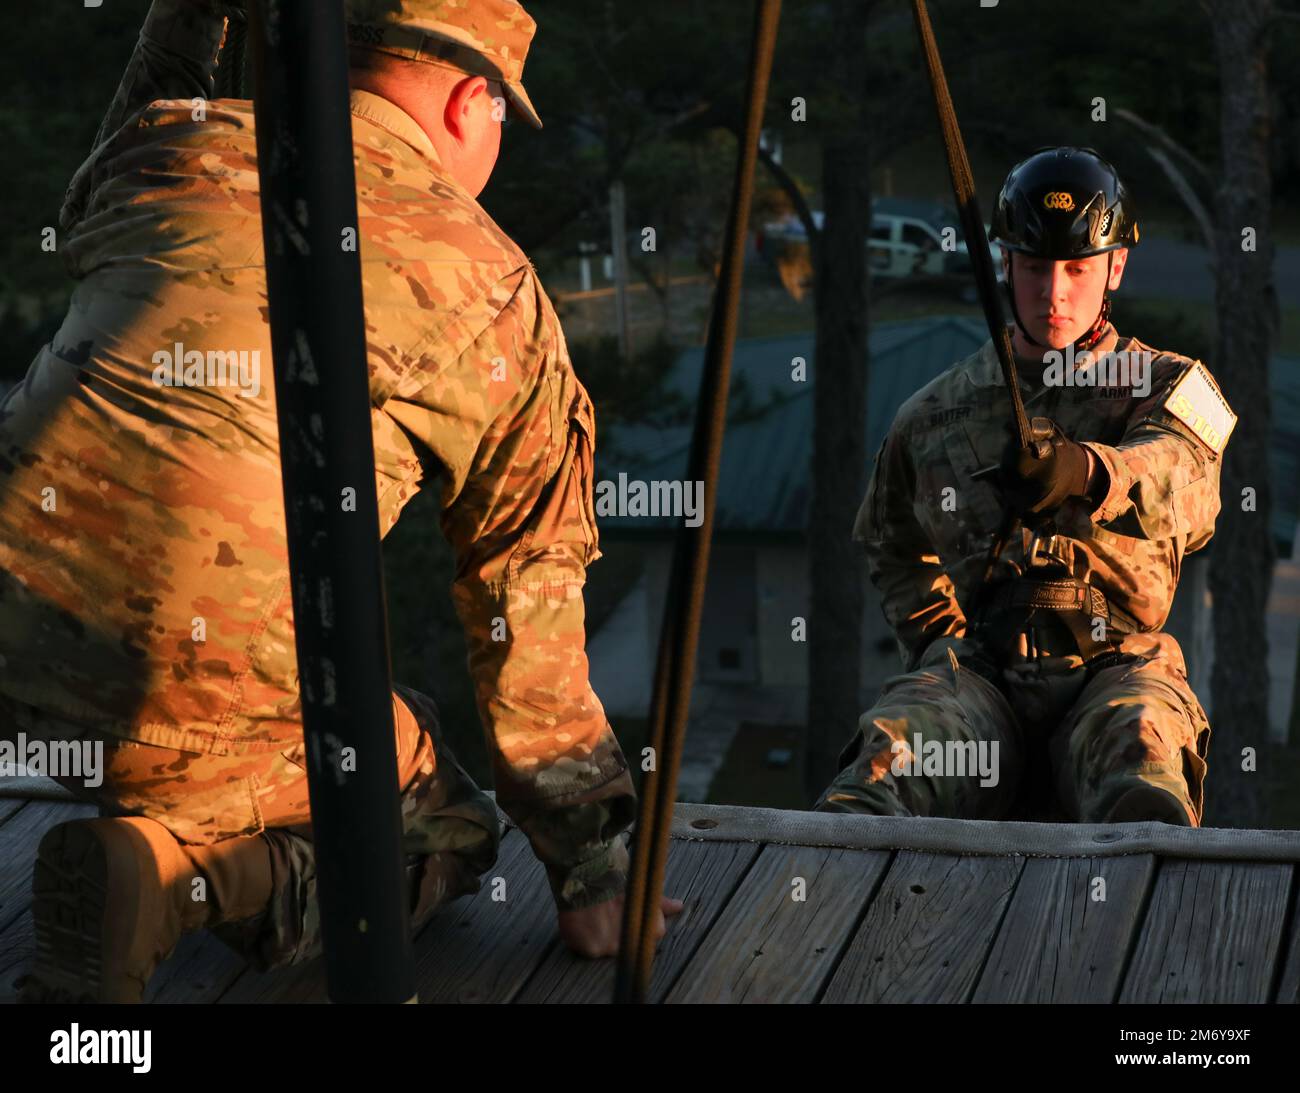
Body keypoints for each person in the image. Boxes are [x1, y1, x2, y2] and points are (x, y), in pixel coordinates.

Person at [1, 0, 679, 1003]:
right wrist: (593, 869)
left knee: (328, 720)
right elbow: (520, 597)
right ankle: (172, 885)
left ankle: (160, 831)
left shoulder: (161, 155)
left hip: (17, 657)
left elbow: (154, 98)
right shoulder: (492, 287)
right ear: (469, 101)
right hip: (190, 701)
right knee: (436, 821)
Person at [814, 146, 1235, 828]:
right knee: (883, 771)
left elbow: (1186, 479)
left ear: (1115, 267)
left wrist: (1091, 472)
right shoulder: (935, 414)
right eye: (1035, 267)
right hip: (981, 680)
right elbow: (891, 538)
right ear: (1005, 264)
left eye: (1076, 268)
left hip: (1116, 669)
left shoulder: (1169, 387)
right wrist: (936, 644)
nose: (1054, 292)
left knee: (1145, 769)